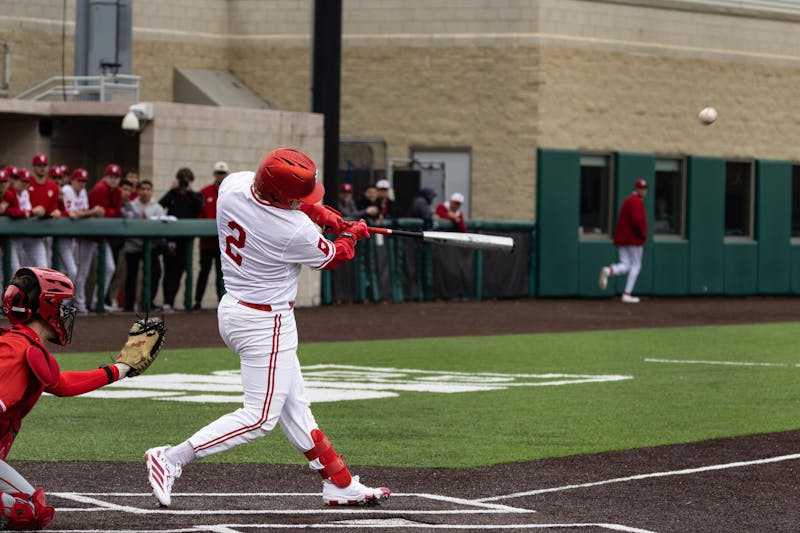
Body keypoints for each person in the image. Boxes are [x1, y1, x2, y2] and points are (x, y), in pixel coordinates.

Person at [144, 147, 390, 508]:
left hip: (234, 309)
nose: (303, 203)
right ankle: (171, 457)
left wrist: (322, 214)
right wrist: (351, 234)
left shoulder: (232, 186)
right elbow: (335, 256)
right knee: (259, 418)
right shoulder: (292, 230)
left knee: (296, 408)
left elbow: (294, 207)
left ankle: (339, 483)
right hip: (266, 323)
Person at [0, 267, 141, 530]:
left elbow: (62, 384)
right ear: (47, 306)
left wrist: (120, 370)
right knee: (20, 512)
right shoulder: (15, 350)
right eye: (63, 304)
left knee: (34, 509)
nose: (66, 311)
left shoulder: (24, 346)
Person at [159, 167, 203, 311]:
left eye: (187, 180)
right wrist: (172, 190)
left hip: (186, 241)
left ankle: (185, 302)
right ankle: (167, 301)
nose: (184, 183)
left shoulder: (195, 196)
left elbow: (200, 207)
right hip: (171, 239)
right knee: (169, 270)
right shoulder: (172, 195)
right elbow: (160, 206)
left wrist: (189, 191)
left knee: (182, 271)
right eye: (182, 180)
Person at [598, 178, 648, 303]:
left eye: (645, 188)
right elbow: (637, 221)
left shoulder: (628, 200)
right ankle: (627, 294)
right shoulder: (636, 201)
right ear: (636, 189)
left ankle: (609, 271)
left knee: (626, 265)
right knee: (636, 266)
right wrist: (642, 234)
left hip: (623, 239)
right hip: (633, 239)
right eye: (641, 188)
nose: (644, 190)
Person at [63, 168, 105, 314]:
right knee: (68, 271)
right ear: (73, 180)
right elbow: (73, 214)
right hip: (61, 236)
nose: (81, 184)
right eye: (79, 180)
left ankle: (76, 303)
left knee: (79, 271)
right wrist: (93, 212)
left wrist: (91, 212)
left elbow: (82, 213)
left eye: (84, 181)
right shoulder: (67, 190)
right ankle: (64, 304)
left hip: (74, 237)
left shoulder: (83, 192)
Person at [123, 180, 166, 312]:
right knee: (131, 275)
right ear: (138, 190)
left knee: (156, 273)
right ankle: (129, 305)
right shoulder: (132, 205)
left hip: (150, 246)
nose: (145, 191)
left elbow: (161, 227)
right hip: (133, 245)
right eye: (142, 189)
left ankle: (148, 303)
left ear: (152, 191)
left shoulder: (157, 208)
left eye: (148, 189)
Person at [87, 164, 123, 311]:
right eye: (111, 177)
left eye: (116, 177)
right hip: (88, 236)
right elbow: (99, 214)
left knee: (109, 268)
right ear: (105, 177)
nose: (113, 180)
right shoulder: (99, 189)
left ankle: (97, 301)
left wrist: (109, 212)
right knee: (79, 271)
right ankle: (70, 303)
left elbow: (117, 212)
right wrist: (110, 212)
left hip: (102, 239)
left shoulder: (118, 191)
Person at [194, 161, 228, 310]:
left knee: (222, 274)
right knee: (204, 272)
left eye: (223, 173)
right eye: (218, 173)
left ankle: (221, 302)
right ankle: (197, 301)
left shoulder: (229, 193)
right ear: (215, 174)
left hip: (223, 243)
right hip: (207, 242)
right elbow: (199, 214)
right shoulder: (205, 192)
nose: (220, 176)